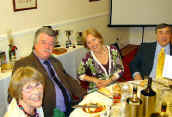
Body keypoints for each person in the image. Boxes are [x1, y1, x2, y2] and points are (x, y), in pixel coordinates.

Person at [12, 27, 86, 117]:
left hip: (71, 108)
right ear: (35, 44)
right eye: (43, 42)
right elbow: (13, 96)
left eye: (51, 44)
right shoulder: (23, 64)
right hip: (49, 113)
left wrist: (84, 95)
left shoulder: (54, 61)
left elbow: (68, 79)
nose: (48, 47)